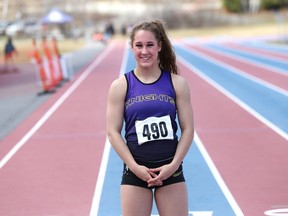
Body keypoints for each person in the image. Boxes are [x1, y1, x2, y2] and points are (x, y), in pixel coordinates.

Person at [107, 20, 194, 216]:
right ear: (132, 48)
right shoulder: (121, 86)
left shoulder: (177, 83)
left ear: (159, 46)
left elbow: (188, 129)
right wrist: (135, 167)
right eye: (139, 45)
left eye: (150, 45)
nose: (144, 51)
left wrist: (173, 166)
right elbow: (113, 132)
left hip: (171, 171)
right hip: (136, 172)